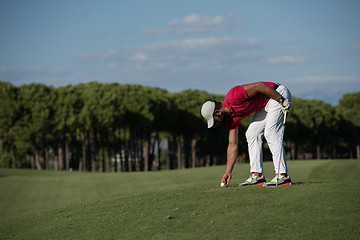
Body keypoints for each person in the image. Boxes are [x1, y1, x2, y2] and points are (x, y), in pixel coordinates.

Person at [201, 81, 292, 187]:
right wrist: (228, 172)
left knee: (271, 133)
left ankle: (283, 176)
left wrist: (281, 100)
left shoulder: (233, 96)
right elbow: (232, 145)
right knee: (252, 134)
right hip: (265, 104)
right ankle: (257, 175)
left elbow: (260, 86)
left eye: (214, 120)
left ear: (217, 112)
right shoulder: (230, 120)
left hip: (277, 94)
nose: (216, 123)